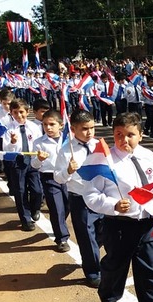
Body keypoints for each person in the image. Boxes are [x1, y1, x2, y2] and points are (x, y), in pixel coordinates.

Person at [83, 113, 153, 302]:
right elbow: (90, 195)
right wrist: (113, 204)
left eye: (130, 135)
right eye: (119, 135)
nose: (124, 140)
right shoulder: (104, 160)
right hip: (118, 224)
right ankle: (109, 296)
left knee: (150, 270)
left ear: (141, 135)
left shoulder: (151, 158)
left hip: (147, 224)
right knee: (115, 264)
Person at [54, 111, 103, 288]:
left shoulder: (98, 144)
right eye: (84, 129)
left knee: (104, 233)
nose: (90, 132)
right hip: (80, 199)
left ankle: (91, 254)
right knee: (86, 237)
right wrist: (68, 170)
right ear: (73, 129)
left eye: (92, 128)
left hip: (101, 196)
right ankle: (93, 272)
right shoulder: (67, 151)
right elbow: (58, 178)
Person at [31, 110, 70, 252]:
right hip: (49, 178)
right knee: (56, 208)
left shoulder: (69, 140)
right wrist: (39, 159)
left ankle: (59, 222)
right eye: (45, 124)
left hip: (68, 177)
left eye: (52, 124)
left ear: (61, 125)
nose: (48, 128)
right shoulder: (39, 142)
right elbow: (34, 165)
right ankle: (62, 239)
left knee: (66, 206)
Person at [2, 99, 43, 231]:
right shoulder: (8, 128)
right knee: (20, 191)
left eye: (21, 112)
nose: (19, 115)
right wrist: (13, 142)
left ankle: (34, 208)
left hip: (33, 160)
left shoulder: (34, 127)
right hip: (17, 161)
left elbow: (39, 143)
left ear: (27, 111)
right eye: (15, 112)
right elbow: (6, 148)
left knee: (37, 190)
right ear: (11, 113)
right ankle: (26, 220)